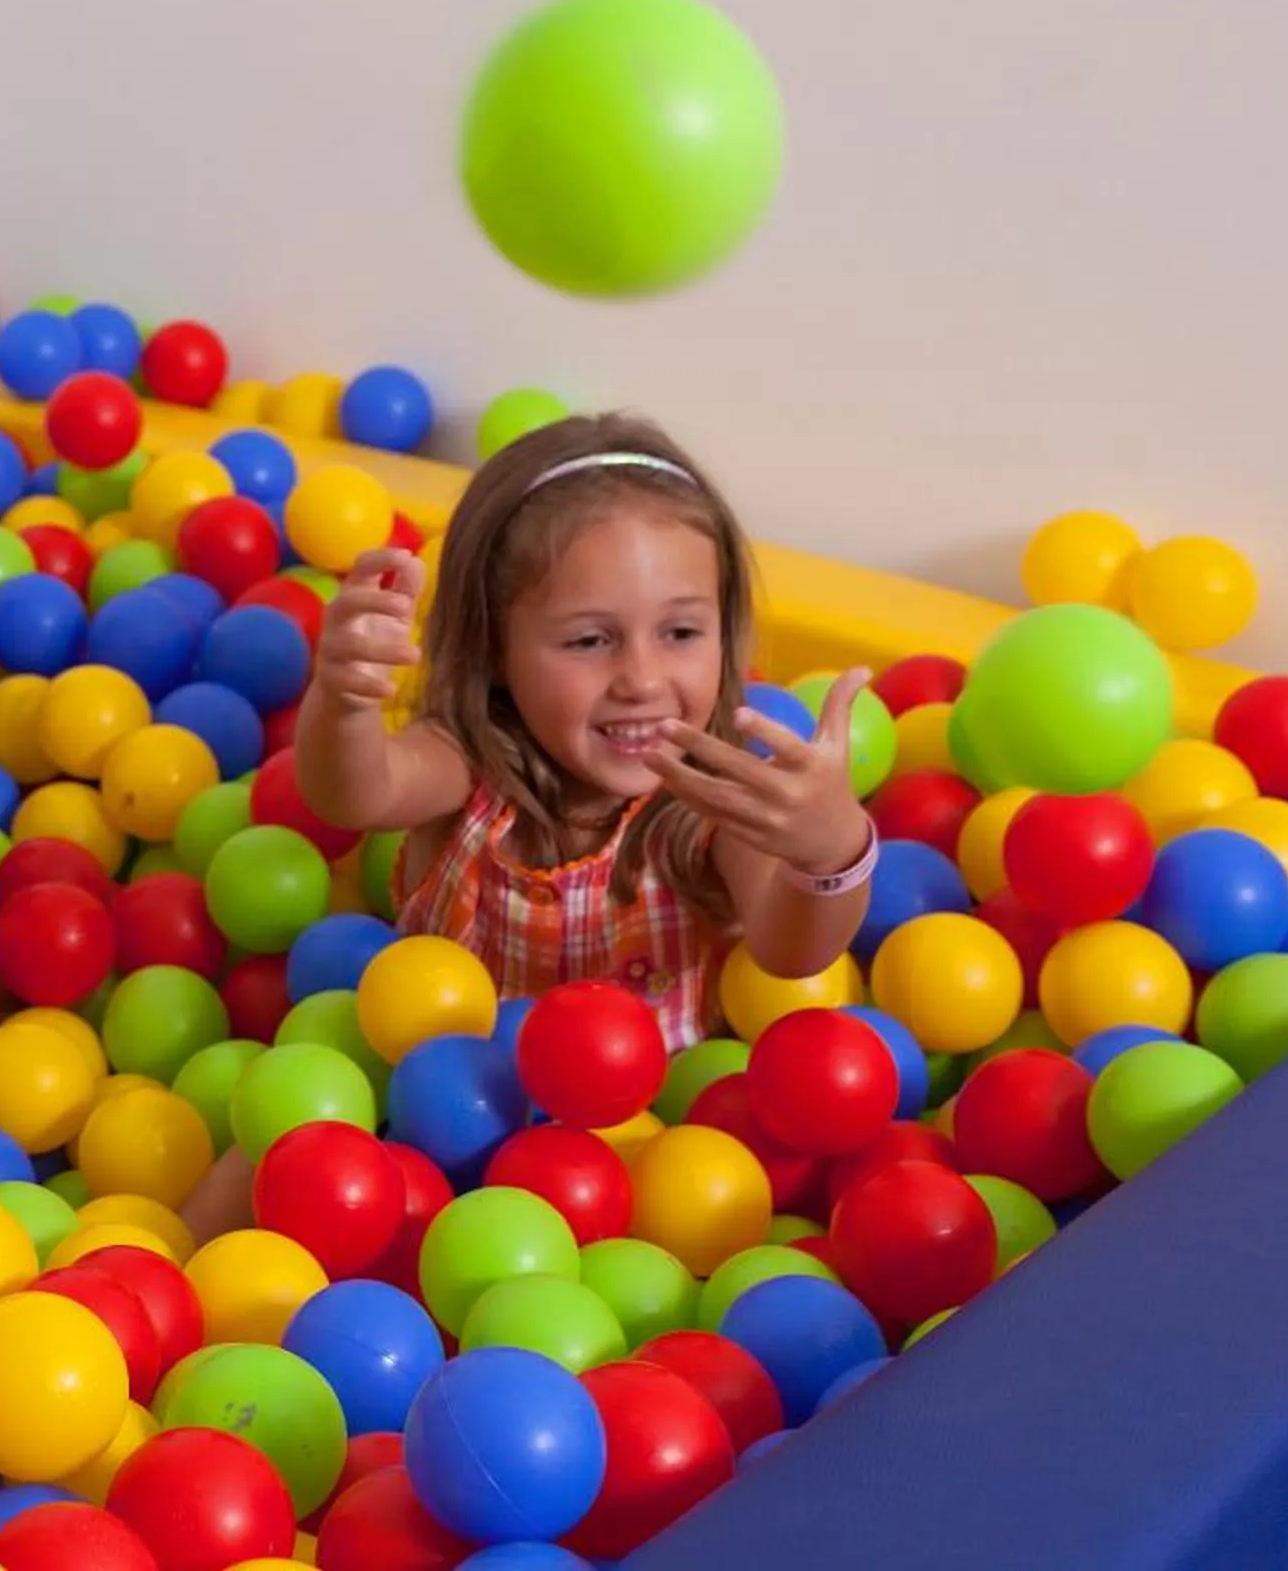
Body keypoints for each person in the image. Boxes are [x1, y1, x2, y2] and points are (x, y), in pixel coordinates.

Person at [186, 411, 875, 1235]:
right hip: (443, 1094)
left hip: (641, 1144)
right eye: (589, 641)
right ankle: (157, 1275)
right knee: (290, 1106)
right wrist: (344, 700)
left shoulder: (712, 796)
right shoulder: (474, 760)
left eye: (682, 633)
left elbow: (792, 947)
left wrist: (831, 848)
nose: (642, 678)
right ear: (497, 652)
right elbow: (356, 795)